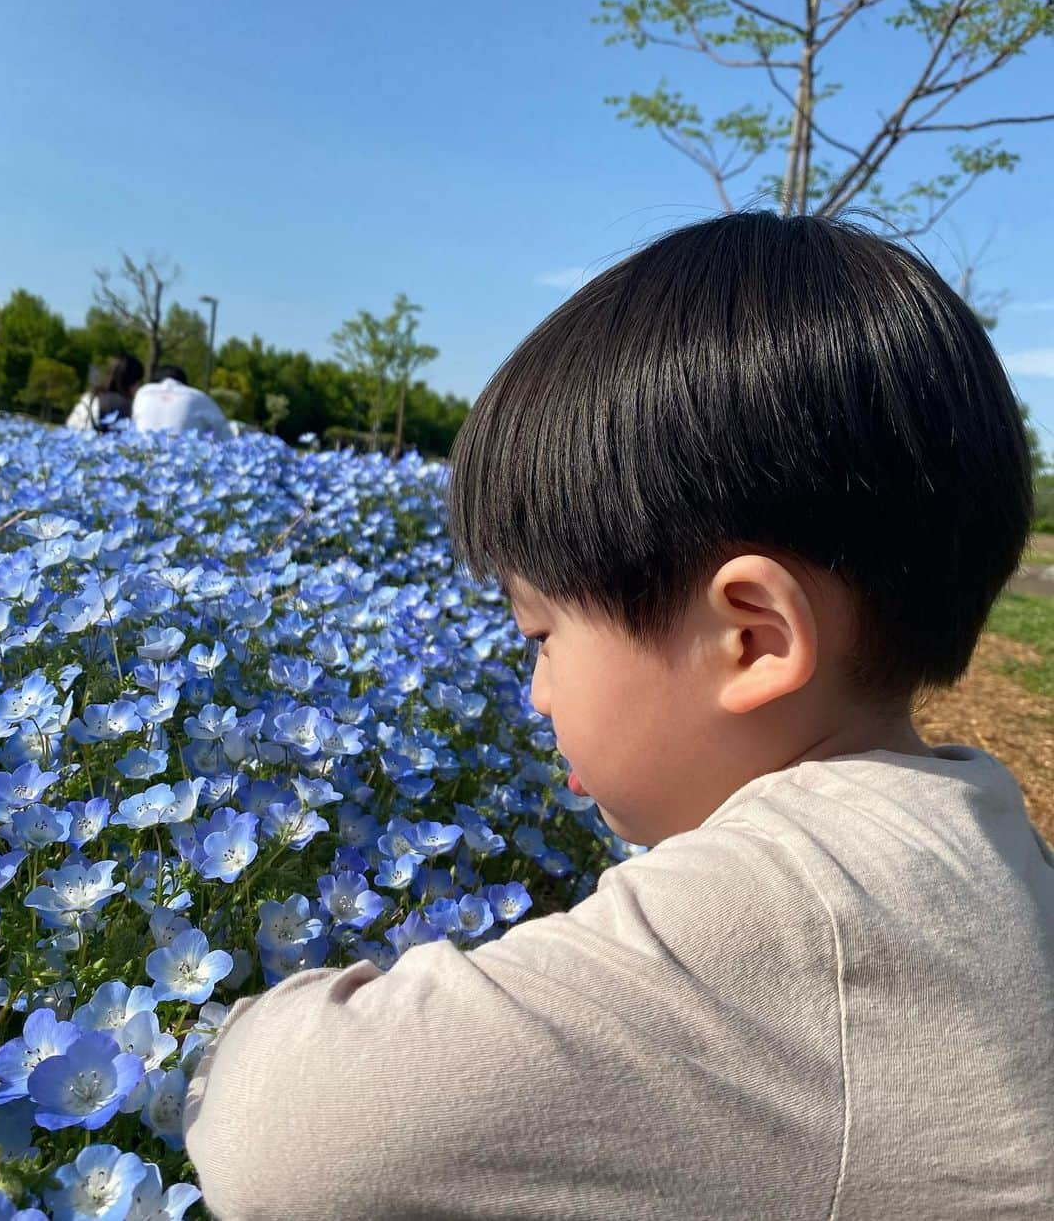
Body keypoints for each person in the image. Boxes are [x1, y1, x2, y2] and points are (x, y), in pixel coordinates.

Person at [183, 213, 1053, 1218]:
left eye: (542, 635)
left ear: (753, 641)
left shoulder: (799, 912)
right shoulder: (971, 829)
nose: (537, 691)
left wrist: (246, 1027)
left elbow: (281, 1142)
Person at [130, 364, 231, 438]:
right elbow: (226, 435)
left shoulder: (143, 392)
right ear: (184, 385)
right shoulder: (197, 396)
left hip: (143, 458)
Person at [64, 353, 144, 432]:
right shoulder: (123, 404)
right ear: (131, 381)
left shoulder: (90, 395)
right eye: (139, 381)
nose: (139, 386)